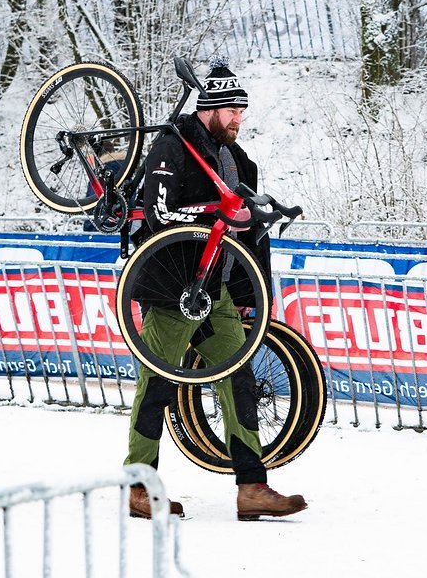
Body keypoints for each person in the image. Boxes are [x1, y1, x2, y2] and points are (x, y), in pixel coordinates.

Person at [123, 57, 308, 522]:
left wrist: (250, 295)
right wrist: (214, 215)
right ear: (210, 108)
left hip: (218, 289)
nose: (239, 120)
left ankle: (252, 487)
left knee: (239, 376)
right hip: (172, 289)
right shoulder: (172, 146)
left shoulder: (234, 159)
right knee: (157, 383)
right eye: (233, 112)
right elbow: (161, 212)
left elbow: (247, 234)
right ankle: (138, 488)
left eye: (242, 112)